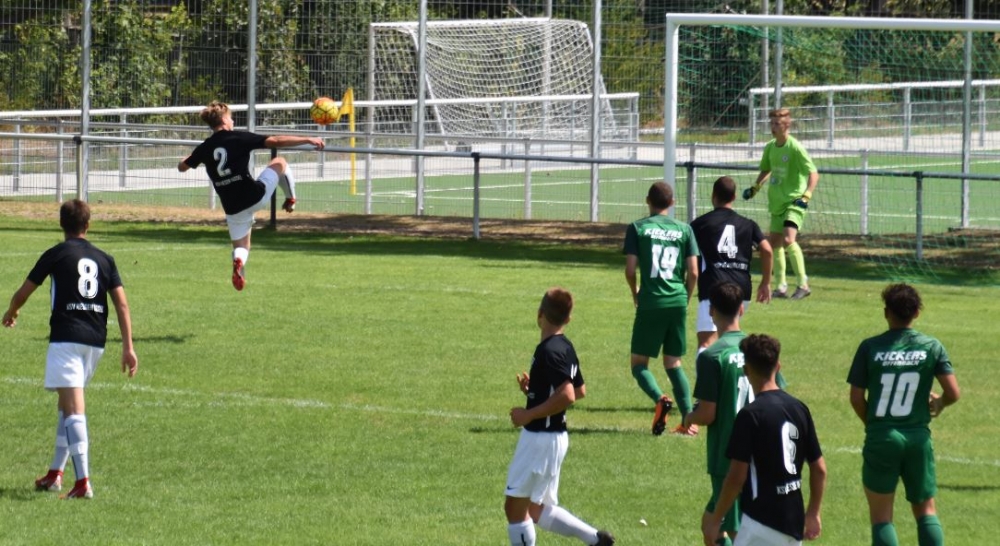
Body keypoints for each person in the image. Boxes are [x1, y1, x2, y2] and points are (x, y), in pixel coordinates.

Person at [2, 199, 138, 500]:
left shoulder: (56, 254)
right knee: (66, 406)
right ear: (88, 225)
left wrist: (12, 311)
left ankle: (83, 482)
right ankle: (55, 474)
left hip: (66, 339)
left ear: (61, 225)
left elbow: (24, 292)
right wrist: (128, 346)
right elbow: (122, 304)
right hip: (95, 342)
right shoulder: (105, 259)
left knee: (74, 411)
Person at [847, 283, 960, 546]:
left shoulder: (870, 347)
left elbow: (856, 398)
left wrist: (874, 425)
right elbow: (953, 392)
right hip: (918, 438)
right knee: (926, 511)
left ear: (886, 312)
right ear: (917, 313)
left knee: (882, 518)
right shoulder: (931, 346)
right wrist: (940, 403)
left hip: (882, 437)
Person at [504, 287, 615, 546]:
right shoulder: (564, 346)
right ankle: (595, 540)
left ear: (539, 314)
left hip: (540, 439)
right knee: (535, 508)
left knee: (515, 509)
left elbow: (568, 395)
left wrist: (528, 414)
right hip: (554, 438)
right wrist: (536, 391)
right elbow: (580, 389)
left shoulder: (549, 350)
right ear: (568, 319)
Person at [178, 100, 325, 291]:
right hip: (254, 196)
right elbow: (275, 141)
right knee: (280, 162)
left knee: (242, 247)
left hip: (232, 207)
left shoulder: (204, 148)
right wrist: (307, 139)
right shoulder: (238, 137)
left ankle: (239, 261)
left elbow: (182, 167)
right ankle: (291, 198)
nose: (233, 121)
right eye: (231, 118)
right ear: (224, 120)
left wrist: (188, 159)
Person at [702, 334, 826, 546]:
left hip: (760, 523)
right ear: (778, 366)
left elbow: (736, 477)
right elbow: (819, 469)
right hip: (793, 523)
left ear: (746, 370)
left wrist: (716, 519)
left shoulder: (750, 415)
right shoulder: (799, 408)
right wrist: (813, 512)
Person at [624, 181, 700, 436]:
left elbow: (630, 269)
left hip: (651, 301)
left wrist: (635, 292)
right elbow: (694, 272)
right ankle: (688, 421)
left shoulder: (638, 228)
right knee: (673, 362)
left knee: (639, 364)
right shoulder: (685, 229)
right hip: (677, 299)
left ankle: (660, 399)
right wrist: (685, 297)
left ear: (648, 201)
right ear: (672, 203)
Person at [683, 282, 752, 546]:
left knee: (733, 530)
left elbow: (707, 414)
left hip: (728, 454)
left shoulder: (712, 356)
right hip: (758, 450)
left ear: (711, 311)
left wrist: (689, 417)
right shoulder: (756, 349)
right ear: (741, 309)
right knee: (710, 525)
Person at [691, 176, 773, 351]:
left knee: (707, 342)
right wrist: (766, 282)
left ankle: (706, 370)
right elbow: (767, 250)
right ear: (734, 197)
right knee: (730, 337)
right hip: (741, 289)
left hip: (714, 286)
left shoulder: (700, 224)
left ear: (713, 195)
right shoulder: (749, 224)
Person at [743, 108, 819, 300]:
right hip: (777, 203)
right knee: (775, 244)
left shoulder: (795, 148)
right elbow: (766, 169)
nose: (773, 127)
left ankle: (803, 284)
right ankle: (781, 287)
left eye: (777, 124)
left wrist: (806, 196)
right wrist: (755, 187)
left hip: (794, 201)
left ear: (786, 126)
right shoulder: (770, 147)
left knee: (788, 239)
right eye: (772, 123)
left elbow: (813, 173)